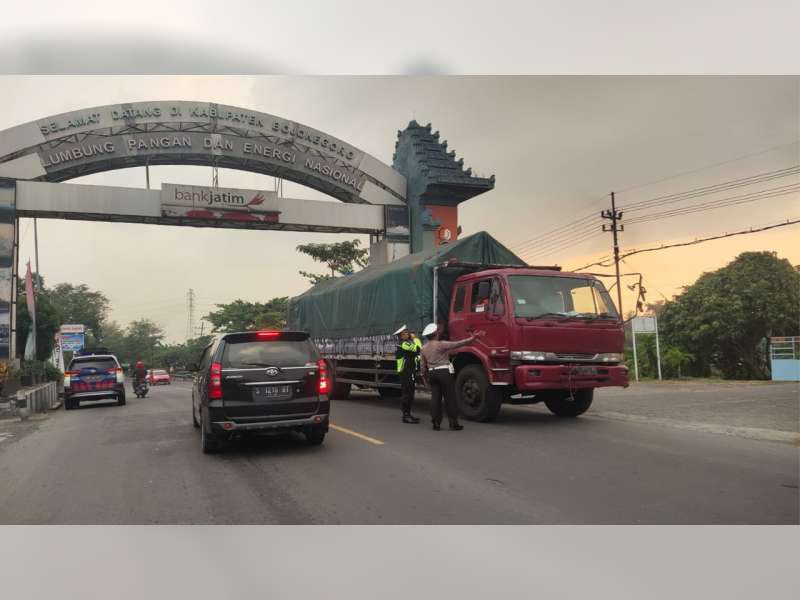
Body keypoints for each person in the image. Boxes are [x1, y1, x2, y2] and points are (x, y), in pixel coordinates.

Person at [419, 323, 484, 431]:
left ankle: (436, 423)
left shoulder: (424, 348)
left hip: (432, 374)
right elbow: (458, 344)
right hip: (444, 372)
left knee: (435, 399)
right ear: (435, 334)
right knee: (450, 399)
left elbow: (422, 366)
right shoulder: (441, 344)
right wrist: (473, 338)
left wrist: (424, 378)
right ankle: (453, 423)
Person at [394, 324, 422, 424]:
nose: (408, 334)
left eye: (407, 332)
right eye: (405, 333)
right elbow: (419, 349)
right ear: (401, 336)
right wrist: (416, 339)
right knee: (407, 394)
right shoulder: (404, 344)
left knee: (410, 394)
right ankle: (406, 416)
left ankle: (408, 414)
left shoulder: (405, 343)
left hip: (409, 371)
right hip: (406, 372)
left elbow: (416, 355)